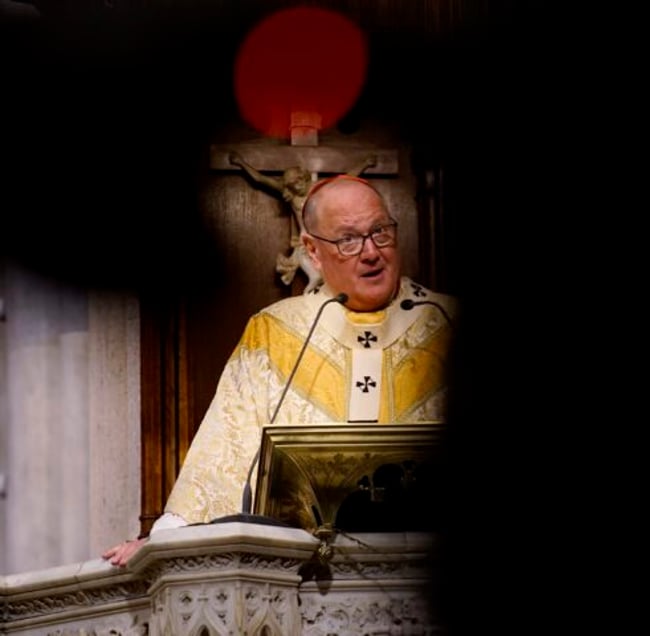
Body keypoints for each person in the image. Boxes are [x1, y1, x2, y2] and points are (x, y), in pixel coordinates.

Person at [103, 173, 457, 566]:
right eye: (348, 240)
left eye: (380, 232)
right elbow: (225, 455)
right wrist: (167, 541)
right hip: (302, 581)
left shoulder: (447, 322)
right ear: (312, 250)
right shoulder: (275, 333)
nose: (371, 252)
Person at [227, 151, 377, 293]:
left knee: (329, 270)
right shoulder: (289, 191)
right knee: (310, 267)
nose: (296, 185)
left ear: (303, 177)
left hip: (322, 235)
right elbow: (260, 179)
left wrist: (365, 164)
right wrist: (241, 162)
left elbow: (345, 179)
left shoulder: (318, 187)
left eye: (298, 181)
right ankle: (313, 292)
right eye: (292, 184)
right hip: (304, 238)